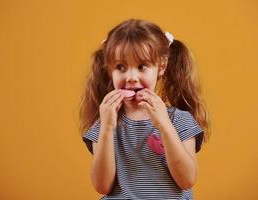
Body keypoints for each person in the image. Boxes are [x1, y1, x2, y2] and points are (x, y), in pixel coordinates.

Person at [79, 18, 211, 200]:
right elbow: (102, 185)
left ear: (161, 66)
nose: (131, 77)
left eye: (142, 66)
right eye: (120, 67)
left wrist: (164, 125)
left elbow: (187, 180)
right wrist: (107, 129)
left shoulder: (180, 120)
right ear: (110, 69)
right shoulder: (105, 122)